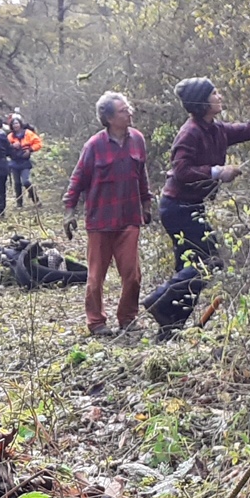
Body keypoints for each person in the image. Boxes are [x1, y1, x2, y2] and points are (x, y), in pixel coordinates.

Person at [146, 78, 250, 331]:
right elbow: (181, 170)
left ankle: (171, 326)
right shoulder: (190, 132)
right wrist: (216, 172)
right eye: (214, 93)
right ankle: (158, 300)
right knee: (210, 262)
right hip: (176, 208)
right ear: (202, 102)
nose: (220, 96)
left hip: (191, 207)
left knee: (188, 266)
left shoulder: (216, 129)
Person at [64, 92, 152, 336]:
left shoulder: (138, 140)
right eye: (124, 111)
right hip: (100, 220)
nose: (130, 113)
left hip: (129, 218)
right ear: (109, 118)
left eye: (129, 108)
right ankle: (96, 322)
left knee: (132, 275)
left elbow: (141, 174)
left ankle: (127, 318)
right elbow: (78, 179)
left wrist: (146, 203)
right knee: (95, 278)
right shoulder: (94, 145)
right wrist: (69, 212)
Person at [7, 113, 42, 208]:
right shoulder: (10, 136)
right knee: (17, 183)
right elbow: (5, 148)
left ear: (20, 124)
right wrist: (12, 146)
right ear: (11, 126)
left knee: (25, 181)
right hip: (14, 162)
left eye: (17, 123)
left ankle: (35, 199)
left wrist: (30, 150)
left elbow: (38, 143)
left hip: (25, 162)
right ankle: (19, 203)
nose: (15, 125)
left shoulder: (28, 133)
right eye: (14, 124)